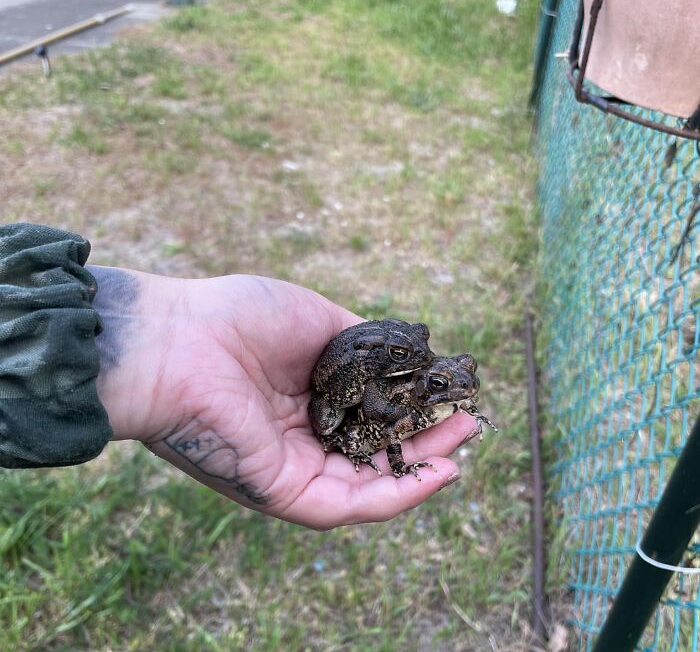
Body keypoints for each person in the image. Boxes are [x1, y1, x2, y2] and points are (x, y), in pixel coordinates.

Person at [0, 223, 479, 530]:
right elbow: (371, 403)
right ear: (381, 354)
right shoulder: (370, 365)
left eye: (421, 344)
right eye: (405, 351)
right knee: (338, 418)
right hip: (332, 399)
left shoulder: (390, 359)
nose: (421, 355)